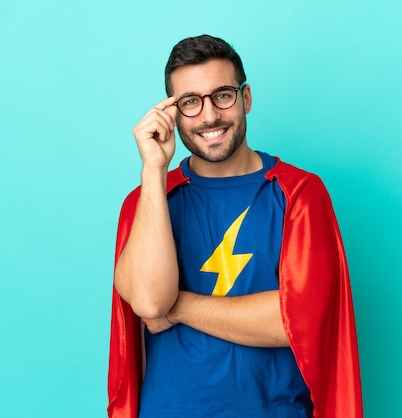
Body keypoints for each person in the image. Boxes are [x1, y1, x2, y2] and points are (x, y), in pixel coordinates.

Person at [107, 34, 363, 418]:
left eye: (222, 95)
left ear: (245, 98)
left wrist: (178, 307)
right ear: (172, 114)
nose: (209, 116)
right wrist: (153, 170)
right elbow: (147, 302)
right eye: (190, 102)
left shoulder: (299, 194)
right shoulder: (147, 200)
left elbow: (295, 320)